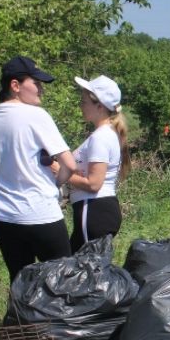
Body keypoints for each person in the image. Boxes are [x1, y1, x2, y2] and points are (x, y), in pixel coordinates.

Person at [0, 56, 76, 282]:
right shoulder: (36, 115)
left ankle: (21, 318)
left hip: (3, 214)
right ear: (15, 86)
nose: (41, 89)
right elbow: (69, 164)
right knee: (61, 282)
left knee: (20, 282)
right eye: (36, 83)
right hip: (39, 212)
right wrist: (56, 183)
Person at [64, 75, 131, 253]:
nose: (81, 106)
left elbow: (94, 184)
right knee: (89, 271)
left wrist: (61, 173)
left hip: (93, 210)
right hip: (96, 211)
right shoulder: (105, 134)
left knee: (86, 272)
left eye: (84, 101)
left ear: (99, 106)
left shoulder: (100, 137)